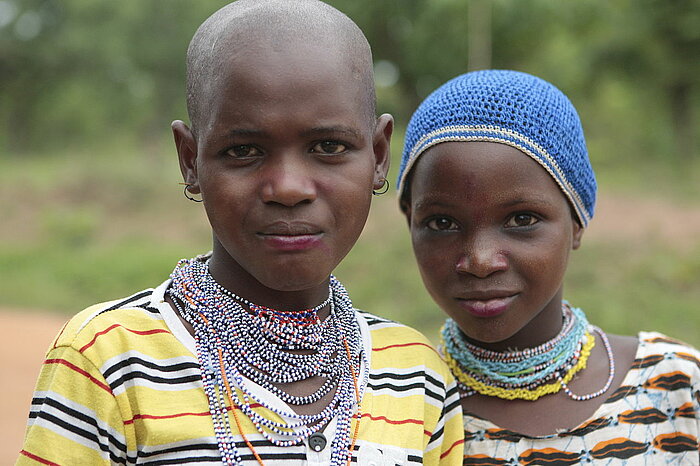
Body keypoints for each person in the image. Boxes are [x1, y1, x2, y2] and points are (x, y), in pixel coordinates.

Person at [17, 1, 464, 464]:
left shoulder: (415, 374)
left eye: (329, 146)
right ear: (190, 160)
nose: (289, 189)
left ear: (378, 155)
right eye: (244, 150)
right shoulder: (108, 362)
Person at [396, 69, 700, 464]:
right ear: (410, 224)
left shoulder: (676, 387)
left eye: (522, 220)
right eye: (442, 223)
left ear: (576, 222)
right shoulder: (399, 411)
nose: (481, 261)